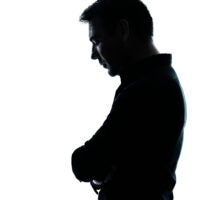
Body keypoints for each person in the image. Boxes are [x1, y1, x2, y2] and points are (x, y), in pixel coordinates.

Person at [71, 0, 186, 199]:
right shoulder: (162, 79)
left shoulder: (145, 89)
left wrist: (99, 170)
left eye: (97, 41)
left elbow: (85, 163)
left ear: (123, 30)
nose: (93, 54)